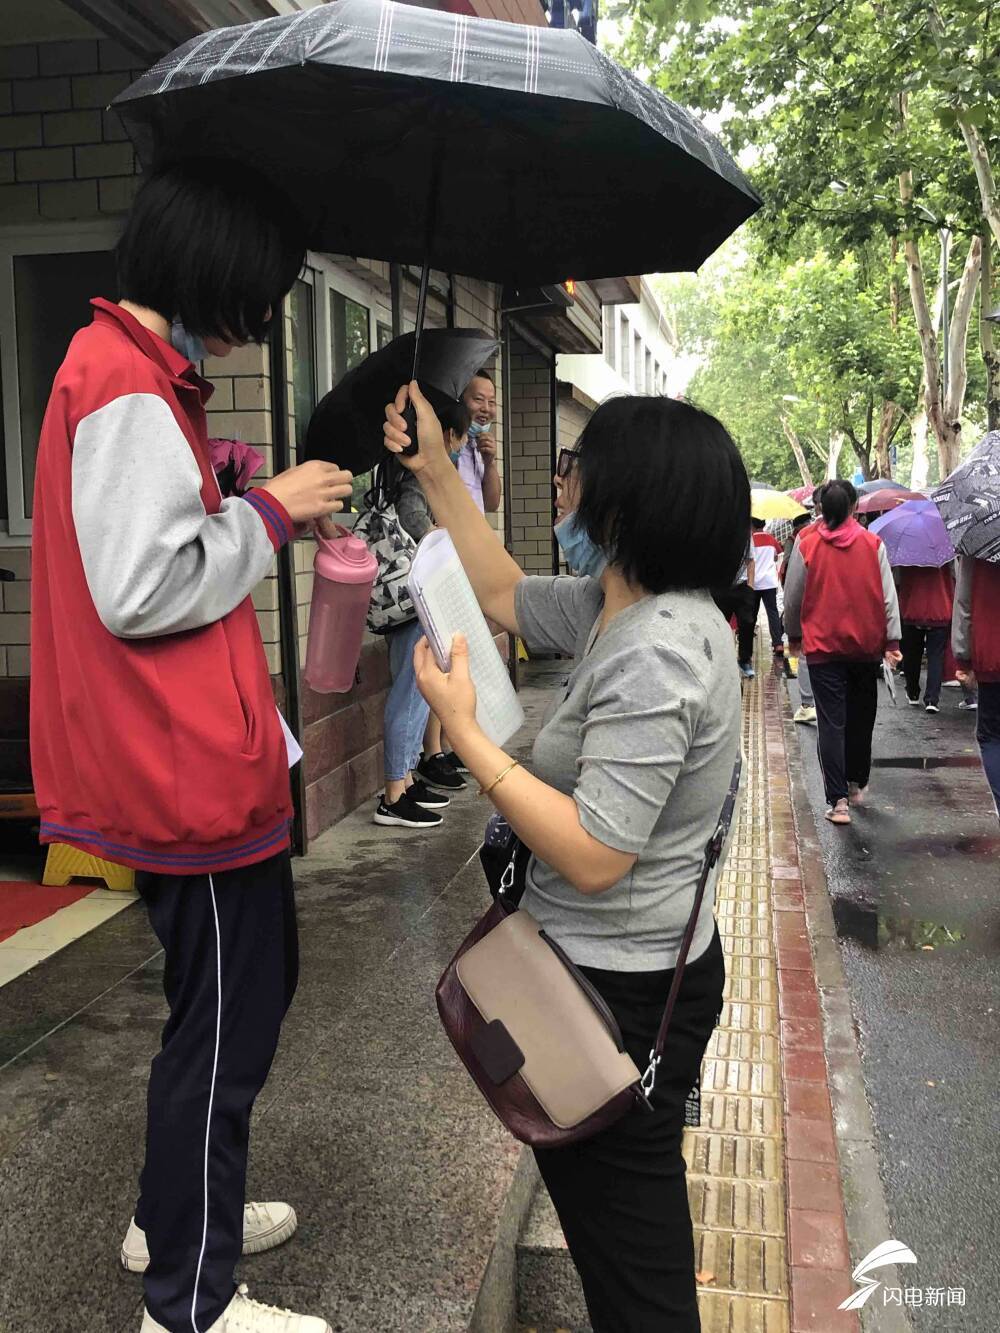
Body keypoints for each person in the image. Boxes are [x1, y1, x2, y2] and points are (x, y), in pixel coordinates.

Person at [30, 160, 350, 1333]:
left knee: (225, 1011)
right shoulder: (121, 378)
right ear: (215, 262)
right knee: (226, 1026)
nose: (256, 315)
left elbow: (149, 546)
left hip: (192, 762)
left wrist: (223, 493)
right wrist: (267, 513)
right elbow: (143, 585)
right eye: (258, 288)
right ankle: (190, 1302)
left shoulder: (134, 374)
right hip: (182, 775)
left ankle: (175, 1220)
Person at [385, 383, 747, 1333]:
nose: (561, 487)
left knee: (635, 1266)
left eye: (576, 473)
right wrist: (432, 467)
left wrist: (468, 735)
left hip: (617, 994)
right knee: (621, 1234)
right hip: (609, 970)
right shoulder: (612, 604)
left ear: (626, 507)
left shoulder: (659, 650)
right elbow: (500, 587)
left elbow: (594, 854)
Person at [374, 398, 473, 827]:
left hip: (401, 602)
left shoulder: (392, 470)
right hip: (415, 598)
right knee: (410, 694)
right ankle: (394, 793)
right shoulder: (415, 474)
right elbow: (416, 520)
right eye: (461, 436)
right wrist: (441, 539)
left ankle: (406, 780)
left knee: (410, 690)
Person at [784, 480, 901, 826]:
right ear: (853, 508)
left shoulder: (806, 544)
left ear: (820, 509)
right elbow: (887, 596)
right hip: (865, 647)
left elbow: (792, 596)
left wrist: (793, 636)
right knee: (861, 718)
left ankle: (837, 802)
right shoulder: (873, 543)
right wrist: (892, 642)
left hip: (823, 649)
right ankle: (856, 783)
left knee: (831, 723)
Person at [952, 555, 1000, 820]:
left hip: (992, 653)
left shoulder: (977, 545)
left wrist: (963, 657)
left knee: (991, 736)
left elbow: (965, 604)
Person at [895, 563, 957, 713]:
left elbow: (897, 580)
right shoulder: (944, 551)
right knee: (936, 656)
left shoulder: (906, 553)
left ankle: (913, 691)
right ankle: (932, 699)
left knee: (912, 654)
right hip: (939, 608)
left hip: (912, 607)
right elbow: (954, 575)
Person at [782, 512, 817, 723]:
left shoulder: (805, 539)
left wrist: (793, 633)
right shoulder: (870, 540)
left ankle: (807, 704)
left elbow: (794, 594)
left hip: (816, 619)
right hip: (856, 637)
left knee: (807, 653)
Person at [458, 369, 502, 512]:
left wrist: (489, 463)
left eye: (492, 402)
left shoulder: (478, 444)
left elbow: (491, 505)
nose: (486, 408)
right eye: (478, 399)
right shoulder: (448, 441)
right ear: (460, 400)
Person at [712, 540, 757, 678]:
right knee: (717, 624)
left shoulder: (744, 532)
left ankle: (744, 660)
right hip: (720, 586)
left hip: (742, 586)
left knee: (747, 622)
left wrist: (750, 586)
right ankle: (719, 660)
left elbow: (750, 560)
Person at [750, 517, 785, 655]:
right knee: (772, 611)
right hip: (769, 582)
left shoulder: (750, 540)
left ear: (752, 525)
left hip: (754, 582)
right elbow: (776, 556)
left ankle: (746, 642)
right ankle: (778, 644)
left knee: (751, 613)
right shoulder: (771, 539)